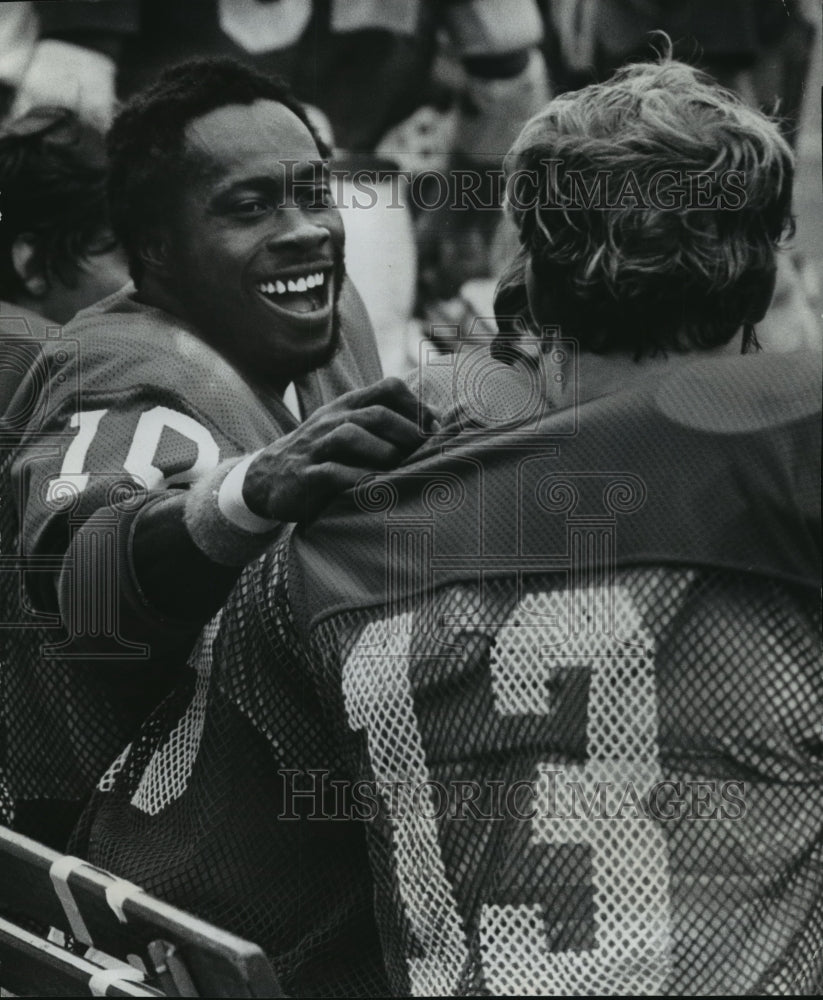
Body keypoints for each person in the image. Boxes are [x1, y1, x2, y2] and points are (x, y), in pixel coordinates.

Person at [75, 58, 821, 995]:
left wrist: (248, 497)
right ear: (759, 289)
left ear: (533, 296)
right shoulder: (785, 463)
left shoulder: (352, 512)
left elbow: (95, 612)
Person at [0, 58, 437, 849]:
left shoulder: (325, 313)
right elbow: (89, 604)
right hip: (146, 879)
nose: (303, 228)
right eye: (250, 208)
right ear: (156, 248)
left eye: (313, 194)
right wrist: (242, 496)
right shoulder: (122, 368)